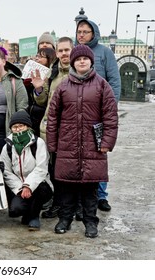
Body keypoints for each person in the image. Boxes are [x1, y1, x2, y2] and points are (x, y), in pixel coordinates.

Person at [46, 45, 118, 238]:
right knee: (66, 187)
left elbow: (110, 117)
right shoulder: (63, 87)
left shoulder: (102, 85)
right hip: (67, 145)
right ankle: (64, 219)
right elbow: (52, 117)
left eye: (85, 59)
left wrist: (107, 142)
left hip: (93, 145)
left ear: (91, 61)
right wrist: (52, 144)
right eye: (78, 59)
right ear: (73, 62)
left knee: (90, 188)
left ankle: (90, 222)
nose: (82, 62)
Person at [75, 19, 121, 212]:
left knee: (99, 155)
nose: (82, 35)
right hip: (78, 114)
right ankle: (78, 196)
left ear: (94, 33)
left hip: (99, 113)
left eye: (86, 31)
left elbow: (115, 82)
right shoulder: (75, 51)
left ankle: (101, 195)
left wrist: (110, 110)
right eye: (79, 31)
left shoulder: (105, 52)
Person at [32, 37, 74, 219]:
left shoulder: (79, 71)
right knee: (54, 169)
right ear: (56, 53)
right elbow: (42, 100)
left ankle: (73, 206)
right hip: (51, 129)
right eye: (61, 50)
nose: (64, 54)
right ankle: (57, 204)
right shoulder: (52, 72)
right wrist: (39, 89)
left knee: (70, 170)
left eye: (67, 50)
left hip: (71, 130)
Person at [0, 110, 53, 231]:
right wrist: (20, 188)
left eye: (21, 126)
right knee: (15, 210)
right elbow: (7, 172)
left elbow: (41, 168)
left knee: (41, 190)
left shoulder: (38, 143)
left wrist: (28, 186)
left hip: (40, 184)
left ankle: (34, 217)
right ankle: (27, 213)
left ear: (28, 126)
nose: (18, 129)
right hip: (18, 185)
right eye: (14, 127)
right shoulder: (8, 146)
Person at [22, 47, 56, 137]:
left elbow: (43, 100)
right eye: (37, 56)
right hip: (31, 113)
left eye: (41, 57)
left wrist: (39, 88)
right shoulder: (31, 72)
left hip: (43, 115)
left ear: (50, 58)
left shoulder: (52, 75)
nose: (37, 59)